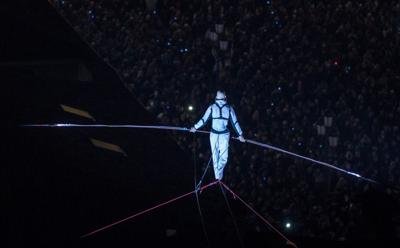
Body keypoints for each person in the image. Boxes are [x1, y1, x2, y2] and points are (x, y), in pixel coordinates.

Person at [190, 90, 245, 180]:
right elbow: (235, 123)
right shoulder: (228, 108)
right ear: (225, 98)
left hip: (217, 134)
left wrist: (195, 128)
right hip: (221, 135)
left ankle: (218, 176)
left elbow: (204, 120)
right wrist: (240, 135)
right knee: (223, 157)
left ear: (216, 98)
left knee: (216, 156)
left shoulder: (213, 107)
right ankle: (218, 177)